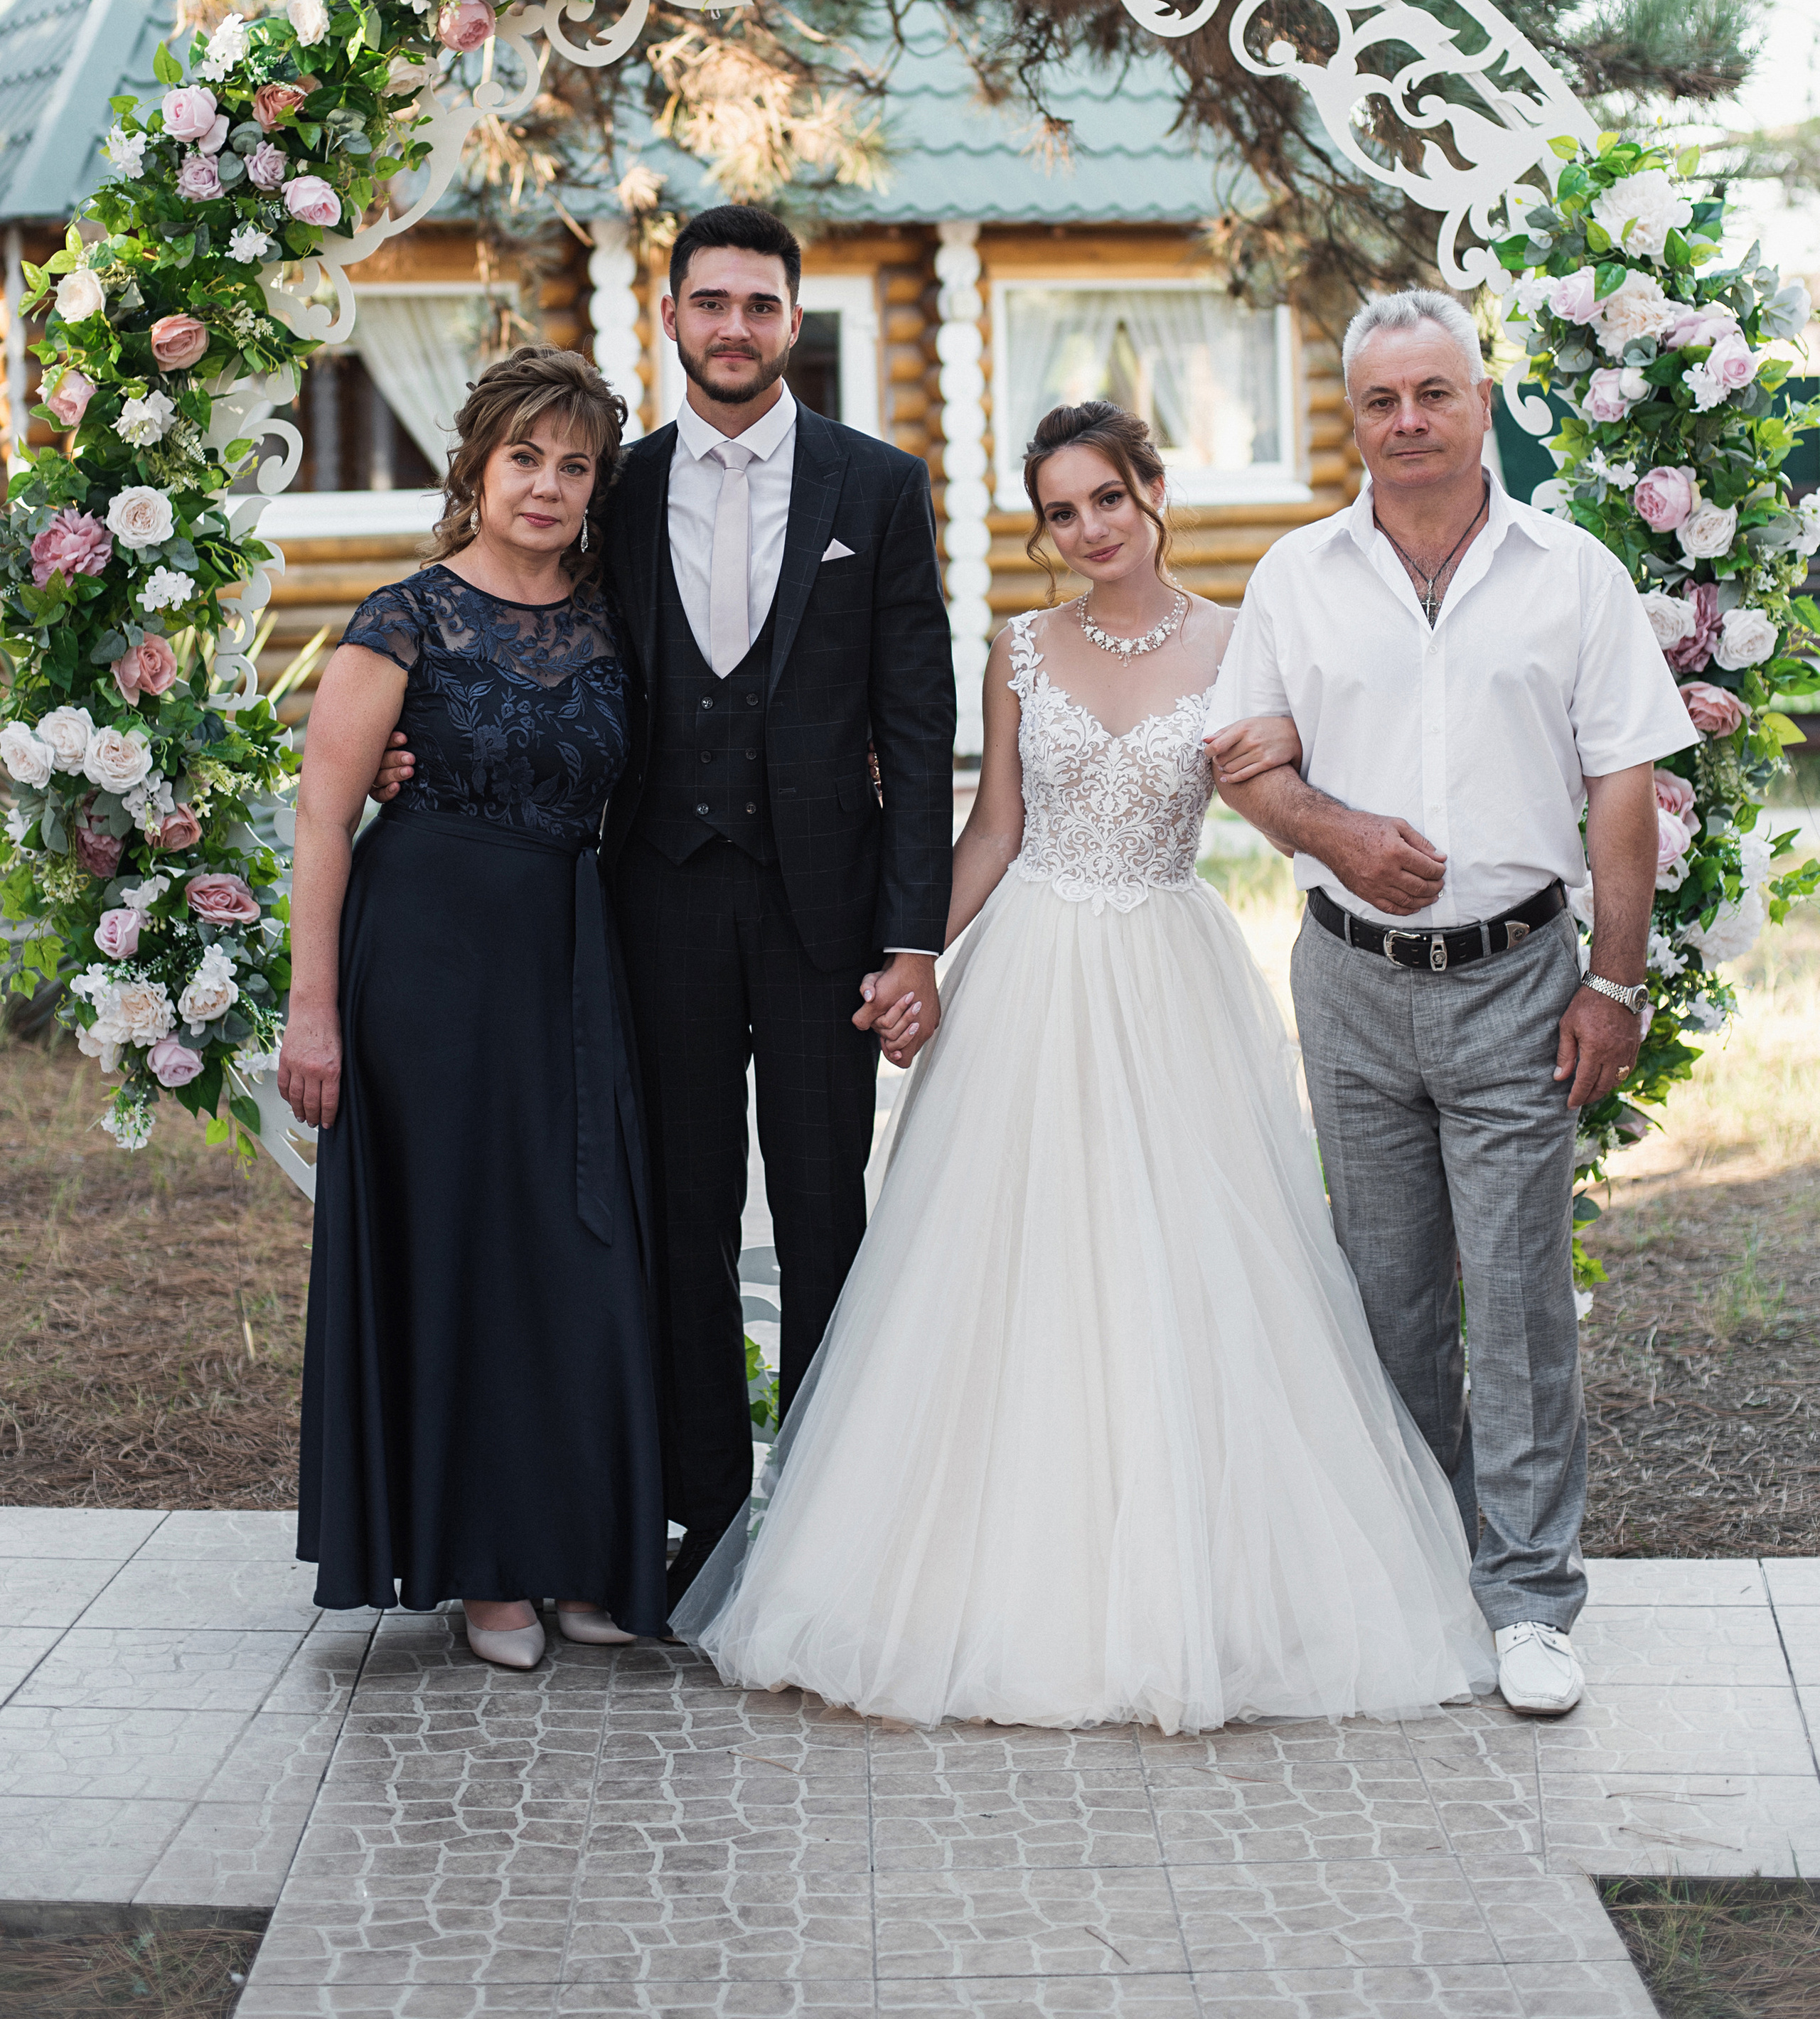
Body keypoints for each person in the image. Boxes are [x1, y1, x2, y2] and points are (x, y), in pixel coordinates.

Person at [672, 401, 1498, 1731]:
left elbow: (1292, 794)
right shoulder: (1019, 650)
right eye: (1061, 512)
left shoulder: (1242, 643)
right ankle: (975, 1570)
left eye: (1107, 498)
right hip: (1036, 971)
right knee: (1010, 1263)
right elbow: (993, 826)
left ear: (1153, 489)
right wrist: (912, 953)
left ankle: (1199, 1579)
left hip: (1169, 969)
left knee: (1187, 1265)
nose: (1088, 529)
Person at [372, 203, 956, 1614]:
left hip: (823, 915)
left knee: (824, 1207)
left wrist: (913, 934)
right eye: (711, 304)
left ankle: (829, 1499)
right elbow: (527, 636)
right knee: (678, 1213)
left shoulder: (874, 486)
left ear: (791, 318)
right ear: (672, 315)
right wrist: (417, 748)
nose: (735, 328)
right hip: (654, 908)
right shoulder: (614, 486)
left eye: (760, 305)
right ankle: (701, 1504)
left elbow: (917, 721)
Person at [1205, 288, 1693, 1718]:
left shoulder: (1572, 575)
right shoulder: (1296, 575)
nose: (1404, 423)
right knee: (1386, 1296)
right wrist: (1334, 833)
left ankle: (1530, 1598)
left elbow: (1617, 787)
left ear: (1482, 402)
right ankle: (1417, 1577)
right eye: (1377, 401)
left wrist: (1613, 979)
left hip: (1517, 982)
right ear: (1349, 417)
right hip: (1351, 984)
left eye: (1431, 393)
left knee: (1518, 1300)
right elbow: (1249, 762)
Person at [285, 346, 666, 1669]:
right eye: (527, 458)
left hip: (567, 957)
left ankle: (576, 1556)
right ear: (477, 465)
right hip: (429, 964)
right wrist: (313, 1011)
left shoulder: (622, 615)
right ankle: (486, 1569)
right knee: (464, 1253)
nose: (549, 485)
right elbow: (325, 820)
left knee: (577, 1247)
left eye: (575, 465)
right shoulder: (405, 617)